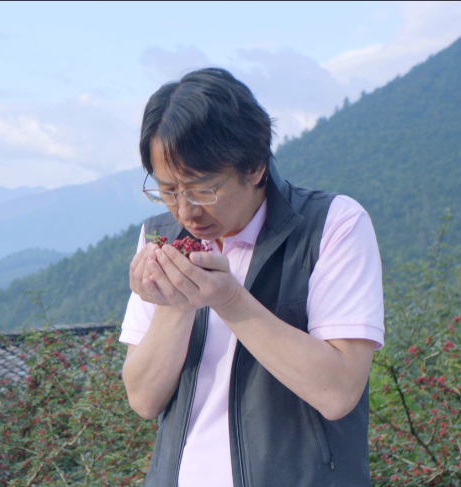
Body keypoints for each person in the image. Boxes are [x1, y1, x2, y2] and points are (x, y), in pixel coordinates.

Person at [121, 68, 384, 486]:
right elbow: (143, 399)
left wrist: (229, 299)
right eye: (168, 191)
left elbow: (338, 391)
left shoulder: (332, 226)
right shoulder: (161, 240)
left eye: (203, 189)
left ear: (256, 166)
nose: (186, 211)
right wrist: (175, 303)